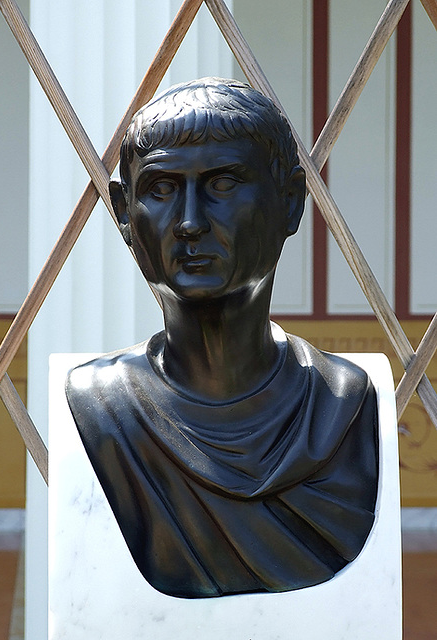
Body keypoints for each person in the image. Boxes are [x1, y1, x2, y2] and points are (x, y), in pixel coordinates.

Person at [66, 78, 378, 599]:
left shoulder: (346, 403)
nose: (189, 222)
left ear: (291, 202)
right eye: (161, 189)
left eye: (224, 185)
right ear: (124, 212)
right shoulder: (98, 405)